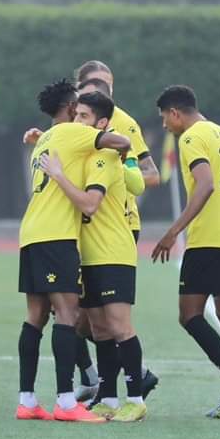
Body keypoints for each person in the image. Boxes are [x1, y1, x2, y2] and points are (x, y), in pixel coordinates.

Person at [16, 79, 130, 423]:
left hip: (31, 232)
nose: (81, 113)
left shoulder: (45, 140)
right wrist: (122, 150)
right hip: (57, 235)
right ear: (69, 108)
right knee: (67, 314)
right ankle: (66, 402)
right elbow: (120, 141)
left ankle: (27, 400)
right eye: (78, 107)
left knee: (35, 317)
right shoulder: (71, 132)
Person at [150, 85, 220, 419]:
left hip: (208, 240)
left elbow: (206, 184)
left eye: (164, 119)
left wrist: (173, 232)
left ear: (175, 112)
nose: (165, 125)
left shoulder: (191, 137)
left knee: (189, 315)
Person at [40, 91, 147, 422]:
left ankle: (136, 399)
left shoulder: (104, 157)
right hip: (87, 255)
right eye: (76, 115)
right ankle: (109, 398)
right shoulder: (83, 153)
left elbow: (89, 204)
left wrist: (58, 175)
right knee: (99, 330)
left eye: (84, 116)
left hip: (112, 251)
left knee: (119, 326)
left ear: (102, 124)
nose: (77, 121)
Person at [71, 62, 162, 401]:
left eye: (108, 85)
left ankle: (131, 385)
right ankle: (104, 388)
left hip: (116, 231)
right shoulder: (73, 124)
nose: (104, 91)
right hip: (82, 235)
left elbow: (147, 176)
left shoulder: (121, 126)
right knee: (83, 321)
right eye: (96, 85)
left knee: (105, 320)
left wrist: (122, 165)